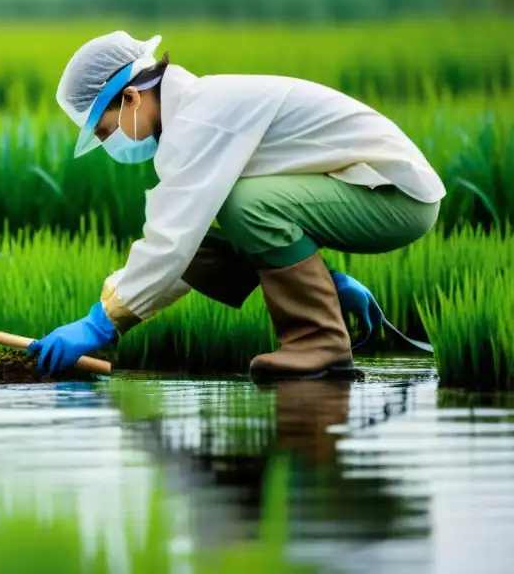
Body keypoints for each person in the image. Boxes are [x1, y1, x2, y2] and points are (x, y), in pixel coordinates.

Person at [27, 31, 445, 380]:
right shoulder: (196, 112)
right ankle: (324, 298)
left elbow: (170, 244)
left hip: (394, 198)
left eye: (104, 129)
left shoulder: (198, 123)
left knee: (242, 205)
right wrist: (327, 283)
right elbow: (190, 251)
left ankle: (319, 346)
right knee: (217, 224)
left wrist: (102, 323)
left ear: (132, 99)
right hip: (368, 191)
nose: (107, 142)